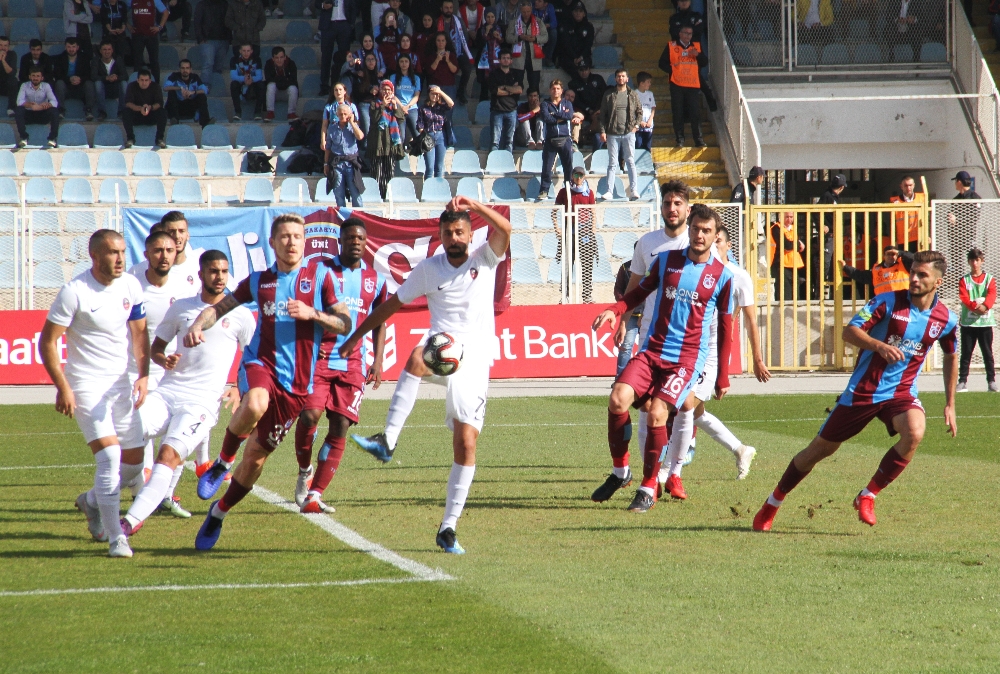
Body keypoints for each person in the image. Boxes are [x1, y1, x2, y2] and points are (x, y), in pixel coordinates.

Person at [341, 196, 512, 554]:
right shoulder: (428, 269)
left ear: (470, 234)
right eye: (448, 233)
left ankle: (448, 527)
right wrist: (356, 336)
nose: (454, 238)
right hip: (443, 346)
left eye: (460, 232)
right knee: (417, 357)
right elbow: (390, 305)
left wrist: (475, 206)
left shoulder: (485, 258)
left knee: (466, 443)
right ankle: (387, 440)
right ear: (440, 236)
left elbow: (506, 229)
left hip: (475, 360)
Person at [753, 251, 959, 532]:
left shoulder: (946, 319)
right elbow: (849, 332)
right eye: (912, 272)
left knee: (915, 432)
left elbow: (951, 356)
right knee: (818, 451)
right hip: (864, 390)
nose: (914, 278)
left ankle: (868, 495)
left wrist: (950, 403)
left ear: (938, 281)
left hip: (901, 393)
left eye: (922, 275)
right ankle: (772, 503)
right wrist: (879, 346)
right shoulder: (887, 302)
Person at [191, 214, 352, 551]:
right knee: (254, 403)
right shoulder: (259, 281)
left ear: (304, 242)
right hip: (260, 364)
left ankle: (218, 513)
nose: (291, 242)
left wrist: (313, 314)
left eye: (297, 236)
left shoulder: (321, 277)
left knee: (256, 459)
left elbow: (344, 323)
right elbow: (219, 308)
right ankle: (222, 462)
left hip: (297, 387)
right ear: (273, 242)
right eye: (285, 236)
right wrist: (197, 325)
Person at [591, 204, 734, 513]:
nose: (699, 235)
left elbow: (725, 328)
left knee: (657, 414)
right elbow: (638, 292)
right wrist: (615, 310)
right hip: (652, 351)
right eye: (695, 228)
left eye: (706, 231)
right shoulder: (667, 261)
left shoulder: (722, 277)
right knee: (617, 398)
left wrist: (723, 375)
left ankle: (648, 487)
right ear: (689, 229)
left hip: (685, 361)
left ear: (716, 236)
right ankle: (621, 472)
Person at [120, 251, 255, 539]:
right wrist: (163, 359)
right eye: (214, 271)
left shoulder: (241, 315)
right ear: (201, 274)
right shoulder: (181, 307)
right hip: (167, 393)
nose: (220, 277)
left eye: (224, 271)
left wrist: (236, 386)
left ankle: (130, 521)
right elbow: (157, 348)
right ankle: (96, 499)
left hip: (201, 404)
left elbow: (252, 357)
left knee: (168, 455)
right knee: (126, 436)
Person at [39, 229, 148, 558]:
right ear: (95, 256)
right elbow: (47, 342)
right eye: (113, 253)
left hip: (121, 384)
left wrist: (143, 375)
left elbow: (140, 334)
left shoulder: (130, 285)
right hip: (86, 385)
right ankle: (117, 538)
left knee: (134, 465)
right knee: (110, 458)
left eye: (122, 252)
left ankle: (90, 500)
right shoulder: (75, 292)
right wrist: (63, 387)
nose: (120, 259)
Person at [656, 225, 769, 494]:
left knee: (684, 403)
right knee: (693, 411)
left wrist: (757, 359)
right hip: (687, 348)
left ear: (728, 245)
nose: (713, 244)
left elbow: (751, 320)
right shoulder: (694, 268)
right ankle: (740, 449)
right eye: (712, 239)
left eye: (719, 241)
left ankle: (668, 470)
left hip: (711, 353)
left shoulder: (737, 276)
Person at [598, 180, 695, 483]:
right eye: (667, 203)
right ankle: (649, 475)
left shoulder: (697, 242)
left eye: (678, 203)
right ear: (661, 208)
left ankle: (674, 471)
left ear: (688, 209)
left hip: (688, 343)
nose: (672, 209)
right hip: (652, 337)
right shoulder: (647, 243)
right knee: (646, 407)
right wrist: (624, 320)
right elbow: (635, 287)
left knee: (686, 405)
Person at [292, 220, 388, 512]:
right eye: (350, 238)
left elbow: (380, 320)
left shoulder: (376, 279)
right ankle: (305, 470)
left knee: (341, 424)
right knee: (309, 416)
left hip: (354, 362)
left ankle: (316, 494)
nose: (355, 242)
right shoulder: (320, 271)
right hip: (320, 357)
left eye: (360, 238)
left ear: (366, 242)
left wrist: (378, 360)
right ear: (340, 241)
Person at [123, 231, 199, 510]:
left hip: (171, 375)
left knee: (176, 436)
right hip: (135, 372)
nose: (164, 255)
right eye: (158, 250)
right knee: (136, 433)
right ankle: (138, 493)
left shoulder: (183, 289)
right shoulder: (131, 285)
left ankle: (164, 495)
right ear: (146, 255)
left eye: (169, 250)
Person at [554, 165, 597, 302]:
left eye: (581, 175)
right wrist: (557, 228)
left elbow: (593, 212)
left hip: (585, 233)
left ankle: (587, 296)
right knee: (567, 264)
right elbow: (554, 211)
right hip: (569, 233)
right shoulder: (565, 191)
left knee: (587, 264)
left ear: (584, 177)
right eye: (576, 175)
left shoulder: (589, 193)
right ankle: (565, 295)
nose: (578, 178)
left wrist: (593, 229)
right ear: (572, 176)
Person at [598, 68, 641, 201]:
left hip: (628, 133)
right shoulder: (609, 94)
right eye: (618, 76)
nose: (621, 78)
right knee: (612, 163)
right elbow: (603, 114)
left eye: (623, 76)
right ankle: (609, 191)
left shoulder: (633, 94)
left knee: (630, 161)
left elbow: (639, 112)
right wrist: (603, 131)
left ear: (627, 79)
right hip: (612, 133)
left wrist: (636, 126)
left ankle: (634, 190)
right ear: (615, 78)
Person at [660, 24, 707, 147]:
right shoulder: (672, 46)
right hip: (677, 84)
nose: (688, 36)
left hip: (692, 84)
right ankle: (680, 139)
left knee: (695, 112)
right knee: (678, 111)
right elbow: (662, 63)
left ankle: (699, 140)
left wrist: (698, 55)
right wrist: (673, 70)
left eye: (690, 34)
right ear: (680, 34)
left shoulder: (696, 46)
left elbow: (704, 62)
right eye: (685, 33)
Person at [957, 248, 997, 393]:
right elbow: (964, 297)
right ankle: (962, 381)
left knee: (987, 352)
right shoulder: (964, 280)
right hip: (968, 323)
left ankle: (991, 381)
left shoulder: (989, 279)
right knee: (966, 353)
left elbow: (992, 294)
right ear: (968, 262)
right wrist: (974, 307)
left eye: (977, 260)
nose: (975, 263)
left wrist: (985, 306)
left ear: (982, 261)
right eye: (972, 260)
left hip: (985, 322)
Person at [536, 79, 583, 202]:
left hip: (565, 139)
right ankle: (544, 190)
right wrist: (560, 116)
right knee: (547, 167)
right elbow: (546, 118)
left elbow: (569, 116)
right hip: (550, 139)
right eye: (553, 88)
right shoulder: (545, 104)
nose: (555, 91)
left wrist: (554, 115)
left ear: (562, 91)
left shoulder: (567, 103)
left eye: (558, 89)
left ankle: (569, 189)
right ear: (549, 90)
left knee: (568, 167)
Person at [366, 79, 406, 198]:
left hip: (391, 142)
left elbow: (401, 119)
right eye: (384, 89)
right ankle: (376, 196)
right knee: (377, 172)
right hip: (377, 141)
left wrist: (395, 106)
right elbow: (374, 118)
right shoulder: (374, 103)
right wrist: (383, 105)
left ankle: (388, 196)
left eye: (389, 90)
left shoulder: (394, 105)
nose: (386, 92)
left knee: (389, 172)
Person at [323, 103, 365, 206]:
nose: (343, 116)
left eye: (345, 114)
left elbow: (360, 136)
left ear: (350, 114)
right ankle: (342, 214)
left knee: (355, 192)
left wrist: (352, 123)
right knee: (338, 193)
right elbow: (328, 148)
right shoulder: (332, 128)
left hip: (351, 163)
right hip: (337, 164)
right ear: (337, 115)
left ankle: (358, 213)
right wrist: (326, 164)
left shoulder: (353, 126)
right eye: (341, 114)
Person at [316, 0, 358, 96]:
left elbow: (353, 6)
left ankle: (342, 86)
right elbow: (317, 3)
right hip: (328, 25)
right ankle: (324, 86)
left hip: (344, 24)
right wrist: (323, 5)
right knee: (326, 56)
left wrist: (351, 24)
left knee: (344, 57)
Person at [839, 243, 913, 297]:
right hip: (883, 304)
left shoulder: (904, 265)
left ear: (897, 256)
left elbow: (915, 259)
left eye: (893, 254)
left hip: (902, 303)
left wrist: (901, 253)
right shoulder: (876, 270)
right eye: (888, 254)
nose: (891, 256)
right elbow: (860, 275)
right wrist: (845, 267)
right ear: (884, 256)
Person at [437, 0, 474, 104]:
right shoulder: (437, 22)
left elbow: (465, 37)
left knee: (467, 68)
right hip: (443, 53)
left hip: (459, 52)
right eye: (446, 8)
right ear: (441, 9)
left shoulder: (458, 21)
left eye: (450, 8)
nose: (449, 10)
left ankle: (460, 92)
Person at [51, 37, 96, 121]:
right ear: (65, 47)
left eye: (73, 47)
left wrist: (80, 79)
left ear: (77, 47)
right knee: (59, 83)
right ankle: (61, 110)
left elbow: (88, 74)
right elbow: (57, 75)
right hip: (66, 87)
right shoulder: (60, 59)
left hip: (80, 86)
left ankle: (88, 110)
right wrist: (69, 79)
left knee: (89, 84)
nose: (71, 49)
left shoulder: (84, 58)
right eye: (69, 47)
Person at [506, 0, 546, 92]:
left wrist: (535, 39)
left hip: (534, 58)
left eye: (528, 11)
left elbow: (545, 37)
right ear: (520, 10)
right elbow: (508, 38)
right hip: (519, 58)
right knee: (516, 85)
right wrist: (519, 37)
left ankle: (535, 100)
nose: (526, 14)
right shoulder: (514, 22)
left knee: (534, 86)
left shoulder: (538, 22)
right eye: (524, 12)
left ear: (531, 10)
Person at [15, 67, 59, 149]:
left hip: (42, 115)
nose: (35, 78)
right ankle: (24, 137)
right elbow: (19, 102)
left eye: (38, 76)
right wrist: (31, 105)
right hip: (29, 115)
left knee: (54, 111)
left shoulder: (46, 86)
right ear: (30, 77)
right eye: (33, 76)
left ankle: (52, 139)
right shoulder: (24, 85)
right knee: (18, 110)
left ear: (42, 78)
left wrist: (41, 106)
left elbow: (54, 102)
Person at [122, 69, 167, 149]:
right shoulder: (131, 86)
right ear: (138, 80)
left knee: (162, 112)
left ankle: (159, 139)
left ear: (150, 81)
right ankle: (130, 138)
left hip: (151, 114)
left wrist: (150, 107)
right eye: (142, 80)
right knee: (126, 112)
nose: (144, 83)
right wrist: (140, 109)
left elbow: (159, 103)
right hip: (137, 114)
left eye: (146, 80)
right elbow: (128, 103)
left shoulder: (156, 87)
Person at [488, 47, 521, 152]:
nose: (506, 60)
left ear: (511, 60)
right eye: (503, 58)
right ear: (499, 60)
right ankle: (494, 161)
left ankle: (508, 161)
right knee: (495, 141)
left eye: (508, 58)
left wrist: (505, 87)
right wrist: (511, 90)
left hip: (512, 111)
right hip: (497, 110)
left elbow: (519, 89)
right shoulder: (493, 74)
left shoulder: (516, 74)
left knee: (509, 141)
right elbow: (495, 91)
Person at [130, 0, 169, 85]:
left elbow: (166, 12)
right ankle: (137, 85)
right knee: (137, 61)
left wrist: (159, 27)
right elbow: (122, 11)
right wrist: (128, 26)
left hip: (151, 35)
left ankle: (156, 85)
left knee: (154, 61)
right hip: (137, 35)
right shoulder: (131, 0)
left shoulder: (154, 0)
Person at [768, 211, 806, 301]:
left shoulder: (793, 228)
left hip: (793, 264)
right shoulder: (776, 228)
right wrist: (798, 243)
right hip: (781, 264)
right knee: (785, 294)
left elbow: (796, 246)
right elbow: (787, 245)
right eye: (787, 217)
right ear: (781, 217)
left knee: (795, 294)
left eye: (791, 217)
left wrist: (796, 244)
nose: (789, 219)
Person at [613, 253, 640, 377]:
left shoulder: (653, 267)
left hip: (648, 314)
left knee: (648, 347)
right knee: (626, 346)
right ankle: (620, 377)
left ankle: (644, 379)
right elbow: (618, 289)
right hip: (631, 314)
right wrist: (624, 303)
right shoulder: (625, 267)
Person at [417, 84, 452, 178]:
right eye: (432, 93)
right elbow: (420, 125)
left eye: (437, 94)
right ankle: (428, 186)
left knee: (439, 167)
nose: (434, 96)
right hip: (428, 135)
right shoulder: (423, 108)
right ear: (429, 94)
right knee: (430, 167)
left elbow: (451, 103)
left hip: (441, 136)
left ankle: (438, 186)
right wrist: (424, 137)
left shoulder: (441, 107)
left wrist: (440, 91)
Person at [567, 57, 603, 146]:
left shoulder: (598, 79)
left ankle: (587, 134)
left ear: (589, 69)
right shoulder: (573, 83)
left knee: (599, 117)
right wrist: (587, 109)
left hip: (597, 110)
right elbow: (575, 100)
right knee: (576, 118)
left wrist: (598, 109)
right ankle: (576, 142)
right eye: (581, 70)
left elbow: (604, 95)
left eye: (586, 69)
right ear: (578, 71)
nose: (584, 72)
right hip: (582, 111)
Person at [164, 59, 212, 126]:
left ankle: (206, 121)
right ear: (179, 69)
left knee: (201, 96)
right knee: (171, 92)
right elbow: (165, 88)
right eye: (183, 68)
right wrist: (180, 88)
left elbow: (205, 90)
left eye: (187, 68)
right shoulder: (174, 76)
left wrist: (193, 92)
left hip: (190, 107)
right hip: (177, 107)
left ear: (190, 69)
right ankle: (174, 120)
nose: (185, 70)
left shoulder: (195, 77)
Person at [194, 0, 232, 77]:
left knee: (218, 68)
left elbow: (229, 21)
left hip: (223, 41)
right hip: (207, 41)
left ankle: (215, 84)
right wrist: (201, 39)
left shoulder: (225, 4)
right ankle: (204, 85)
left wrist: (228, 39)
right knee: (207, 66)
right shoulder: (202, 4)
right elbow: (197, 23)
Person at [91, 40, 128, 121]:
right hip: (102, 89)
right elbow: (93, 76)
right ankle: (102, 112)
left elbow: (125, 76)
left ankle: (122, 111)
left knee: (124, 83)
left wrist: (116, 77)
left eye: (109, 49)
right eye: (104, 49)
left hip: (115, 88)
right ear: (100, 51)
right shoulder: (96, 60)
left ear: (112, 50)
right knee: (97, 83)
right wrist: (106, 78)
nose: (107, 52)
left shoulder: (118, 60)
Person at [556, 1, 593, 77]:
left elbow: (588, 45)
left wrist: (581, 57)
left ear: (584, 14)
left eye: (580, 11)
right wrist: (574, 58)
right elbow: (565, 44)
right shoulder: (565, 25)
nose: (578, 13)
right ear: (572, 12)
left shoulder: (589, 27)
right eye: (576, 11)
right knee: (575, 69)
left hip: (583, 56)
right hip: (568, 57)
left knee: (584, 69)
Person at [889, 174, 924, 252]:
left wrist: (927, 235)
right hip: (902, 240)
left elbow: (927, 218)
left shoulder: (922, 198)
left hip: (919, 238)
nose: (908, 188)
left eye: (910, 185)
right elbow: (892, 222)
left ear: (914, 185)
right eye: (906, 185)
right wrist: (894, 240)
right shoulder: (895, 201)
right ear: (901, 186)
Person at [229, 43, 265, 121]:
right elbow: (233, 76)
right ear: (240, 51)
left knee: (261, 85)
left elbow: (259, 76)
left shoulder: (257, 59)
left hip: (253, 83)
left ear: (251, 51)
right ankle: (238, 112)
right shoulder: (234, 60)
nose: (246, 53)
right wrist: (244, 79)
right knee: (233, 84)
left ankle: (257, 112)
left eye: (248, 51)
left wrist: (251, 79)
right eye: (244, 51)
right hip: (241, 83)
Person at [264, 47, 299, 122]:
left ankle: (291, 113)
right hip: (274, 93)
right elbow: (268, 79)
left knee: (293, 88)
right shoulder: (268, 64)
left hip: (286, 93)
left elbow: (293, 80)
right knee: (271, 86)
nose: (279, 60)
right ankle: (270, 112)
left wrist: (278, 80)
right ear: (273, 59)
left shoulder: (291, 64)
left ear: (285, 57)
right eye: (277, 58)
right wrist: (285, 80)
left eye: (281, 57)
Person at [474, 8, 502, 101]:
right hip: (484, 62)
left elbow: (504, 44)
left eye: (492, 17)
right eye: (488, 17)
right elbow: (478, 45)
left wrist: (498, 37)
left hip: (497, 62)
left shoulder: (500, 28)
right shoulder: (481, 30)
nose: (490, 19)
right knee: (484, 87)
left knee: (497, 86)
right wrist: (486, 32)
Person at [391, 53, 420, 140]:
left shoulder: (416, 78)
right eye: (401, 61)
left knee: (417, 134)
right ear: (398, 63)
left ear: (409, 63)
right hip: (398, 108)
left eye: (406, 61)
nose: (404, 64)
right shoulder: (393, 77)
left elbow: (416, 96)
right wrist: (402, 107)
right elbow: (392, 94)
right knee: (401, 136)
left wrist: (407, 106)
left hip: (412, 108)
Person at [64, 0, 95, 65]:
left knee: (89, 56)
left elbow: (90, 19)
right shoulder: (68, 3)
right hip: (74, 35)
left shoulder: (85, 3)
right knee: (76, 58)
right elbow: (71, 18)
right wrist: (84, 15)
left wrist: (77, 16)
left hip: (86, 34)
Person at [634, 71, 655, 151]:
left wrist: (650, 120)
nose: (650, 84)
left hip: (648, 125)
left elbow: (653, 108)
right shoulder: (634, 94)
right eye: (648, 82)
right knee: (638, 145)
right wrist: (640, 121)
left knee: (647, 147)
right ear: (642, 83)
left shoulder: (650, 94)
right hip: (638, 126)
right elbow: (632, 110)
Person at [533, 0, 557, 65]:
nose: (536, 2)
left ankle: (548, 58)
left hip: (545, 28)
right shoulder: (532, 6)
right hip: (533, 29)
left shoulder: (550, 7)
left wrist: (546, 25)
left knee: (553, 32)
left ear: (545, 4)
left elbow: (554, 23)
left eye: (539, 1)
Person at [0, 37, 18, 118]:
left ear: (8, 47)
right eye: (0, 45)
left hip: (6, 85)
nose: (3, 48)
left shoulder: (12, 54)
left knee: (13, 81)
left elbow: (11, 73)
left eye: (5, 45)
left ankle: (11, 108)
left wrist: (3, 60)